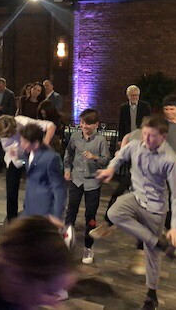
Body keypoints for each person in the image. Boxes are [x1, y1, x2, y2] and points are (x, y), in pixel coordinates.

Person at [98, 114, 176, 310]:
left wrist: (175, 227)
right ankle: (160, 242)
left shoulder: (169, 159)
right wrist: (110, 170)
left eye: (152, 136)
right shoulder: (135, 145)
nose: (146, 139)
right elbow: (119, 157)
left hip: (156, 207)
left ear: (163, 137)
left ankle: (151, 295)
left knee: (151, 253)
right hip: (135, 197)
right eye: (145, 134)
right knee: (114, 213)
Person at [0, 115, 55, 222]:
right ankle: (12, 221)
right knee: (11, 191)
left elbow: (51, 125)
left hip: (31, 156)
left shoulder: (23, 121)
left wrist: (44, 144)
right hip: (13, 159)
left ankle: (33, 216)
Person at [63, 108, 110, 264]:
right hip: (76, 180)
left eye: (88, 123)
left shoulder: (101, 140)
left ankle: (88, 248)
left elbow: (106, 161)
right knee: (70, 213)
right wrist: (67, 170)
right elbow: (68, 154)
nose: (84, 126)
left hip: (93, 183)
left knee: (90, 216)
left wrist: (95, 157)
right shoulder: (75, 137)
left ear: (96, 124)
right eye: (82, 122)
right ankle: (66, 244)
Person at [19, 124, 66, 222]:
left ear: (36, 143)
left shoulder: (50, 158)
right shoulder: (27, 152)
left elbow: (58, 188)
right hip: (29, 204)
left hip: (43, 209)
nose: (22, 144)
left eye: (25, 142)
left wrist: (56, 215)